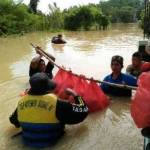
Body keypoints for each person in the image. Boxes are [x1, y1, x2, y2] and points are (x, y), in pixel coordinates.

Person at [9, 73, 88, 148]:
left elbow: (13, 121)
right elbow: (84, 110)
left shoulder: (21, 103)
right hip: (52, 144)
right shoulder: (58, 104)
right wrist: (74, 94)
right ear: (48, 88)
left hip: (27, 143)